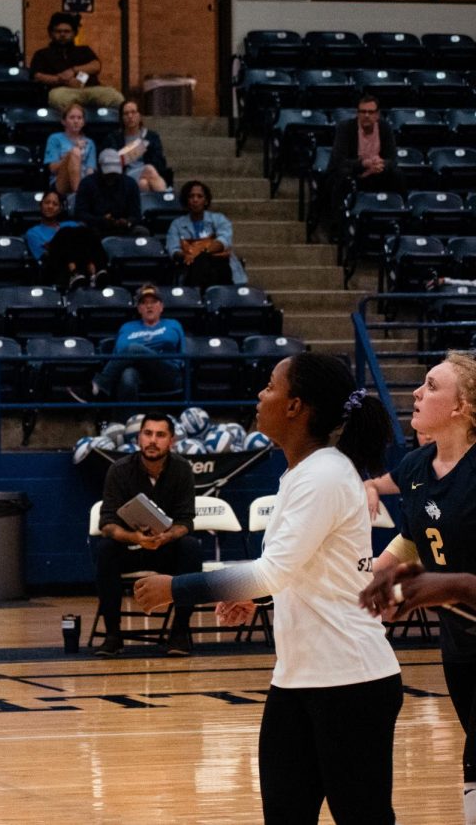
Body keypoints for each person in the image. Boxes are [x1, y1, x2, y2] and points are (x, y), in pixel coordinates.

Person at [135, 351, 402, 825]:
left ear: (296, 406)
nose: (261, 395)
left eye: (270, 387)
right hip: (298, 678)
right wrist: (254, 594)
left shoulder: (323, 475)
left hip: (351, 679)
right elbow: (294, 570)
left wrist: (176, 587)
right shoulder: (305, 473)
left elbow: (272, 571)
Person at [357, 352, 476, 824]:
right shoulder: (416, 467)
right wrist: (375, 580)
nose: (417, 393)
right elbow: (412, 536)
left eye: (430, 386)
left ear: (461, 407)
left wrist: (437, 584)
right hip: (460, 641)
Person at [92, 412, 199, 656]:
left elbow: (186, 521)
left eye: (160, 435)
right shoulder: (119, 470)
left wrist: (167, 536)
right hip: (130, 548)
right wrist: (136, 538)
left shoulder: (182, 470)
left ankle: (179, 633)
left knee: (191, 547)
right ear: (139, 438)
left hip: (165, 549)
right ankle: (113, 635)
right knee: (105, 549)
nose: (153, 440)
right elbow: (107, 523)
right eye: (147, 433)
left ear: (171, 440)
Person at [84, 284, 184, 406]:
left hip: (167, 373)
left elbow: (183, 352)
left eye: (153, 302)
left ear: (161, 306)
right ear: (138, 308)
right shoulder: (127, 327)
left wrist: (140, 350)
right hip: (139, 374)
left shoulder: (173, 325)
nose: (149, 306)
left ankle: (99, 386)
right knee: (128, 375)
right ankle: (127, 421)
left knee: (134, 348)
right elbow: (120, 351)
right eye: (144, 303)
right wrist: (144, 351)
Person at [325, 93, 403, 233]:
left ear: (377, 115)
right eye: (363, 111)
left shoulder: (385, 128)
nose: (366, 115)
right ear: (358, 113)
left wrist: (381, 164)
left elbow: (392, 159)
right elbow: (340, 161)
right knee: (342, 176)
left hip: (376, 172)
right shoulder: (345, 128)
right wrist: (364, 164)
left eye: (370, 112)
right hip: (353, 172)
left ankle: (396, 220)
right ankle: (338, 227)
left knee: (398, 174)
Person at [29, 12, 124, 113]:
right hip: (62, 91)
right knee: (56, 97)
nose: (62, 34)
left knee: (115, 97)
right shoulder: (42, 54)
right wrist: (62, 80)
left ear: (74, 33)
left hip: (90, 89)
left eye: (67, 31)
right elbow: (37, 75)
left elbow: (96, 65)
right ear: (51, 33)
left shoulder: (84, 50)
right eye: (58, 31)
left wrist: (73, 71)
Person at [165, 181, 247, 290]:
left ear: (206, 200)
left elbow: (223, 241)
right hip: (190, 269)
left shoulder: (219, 219)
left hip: (221, 269)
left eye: (199, 196)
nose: (195, 200)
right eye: (191, 196)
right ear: (186, 200)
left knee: (204, 259)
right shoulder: (177, 224)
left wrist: (194, 249)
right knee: (199, 261)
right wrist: (190, 254)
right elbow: (173, 249)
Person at [24, 189, 103, 290]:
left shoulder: (71, 224)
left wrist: (52, 244)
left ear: (60, 208)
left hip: (82, 263)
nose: (50, 206)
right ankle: (74, 273)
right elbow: (44, 256)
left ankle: (96, 272)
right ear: (41, 205)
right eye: (47, 202)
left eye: (55, 204)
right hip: (56, 269)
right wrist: (59, 243)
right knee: (65, 233)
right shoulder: (33, 233)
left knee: (88, 231)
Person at [72, 149, 145, 240]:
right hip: (95, 227)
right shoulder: (87, 183)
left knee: (142, 232)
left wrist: (127, 222)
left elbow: (136, 214)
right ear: (100, 167)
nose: (112, 176)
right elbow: (80, 213)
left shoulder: (130, 184)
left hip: (123, 229)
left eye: (114, 173)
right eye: (108, 173)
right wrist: (101, 220)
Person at [105, 100, 168, 192]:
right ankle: (165, 198)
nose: (130, 116)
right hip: (125, 176)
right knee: (149, 169)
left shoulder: (151, 137)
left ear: (140, 115)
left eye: (133, 112)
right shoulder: (114, 138)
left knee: (143, 184)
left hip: (149, 177)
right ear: (122, 118)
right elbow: (112, 162)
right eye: (126, 113)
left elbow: (159, 163)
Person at [45, 102, 97, 195]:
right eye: (72, 117)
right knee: (76, 152)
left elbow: (90, 170)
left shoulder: (89, 143)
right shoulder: (55, 139)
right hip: (61, 181)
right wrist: (71, 153)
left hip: (84, 180)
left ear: (83, 122)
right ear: (63, 121)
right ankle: (79, 195)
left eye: (79, 118)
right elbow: (53, 169)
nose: (76, 121)